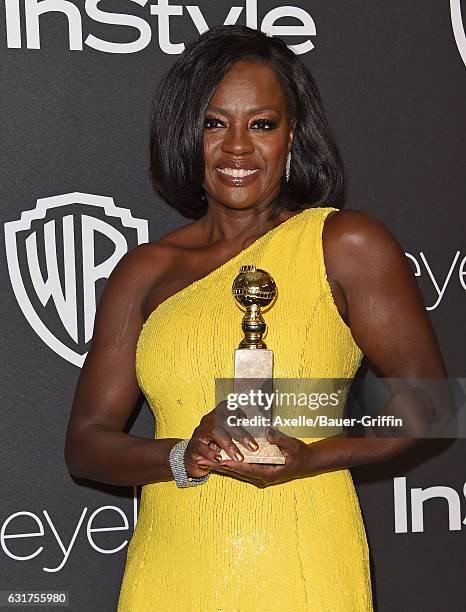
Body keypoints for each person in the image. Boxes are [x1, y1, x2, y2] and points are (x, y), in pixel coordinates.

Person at [64, 25, 448, 611]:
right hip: (170, 572)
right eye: (215, 123)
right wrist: (181, 454)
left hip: (307, 562)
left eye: (261, 124)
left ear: (292, 134)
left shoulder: (344, 243)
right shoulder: (144, 272)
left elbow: (434, 405)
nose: (237, 147)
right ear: (188, 135)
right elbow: (86, 444)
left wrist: (316, 455)